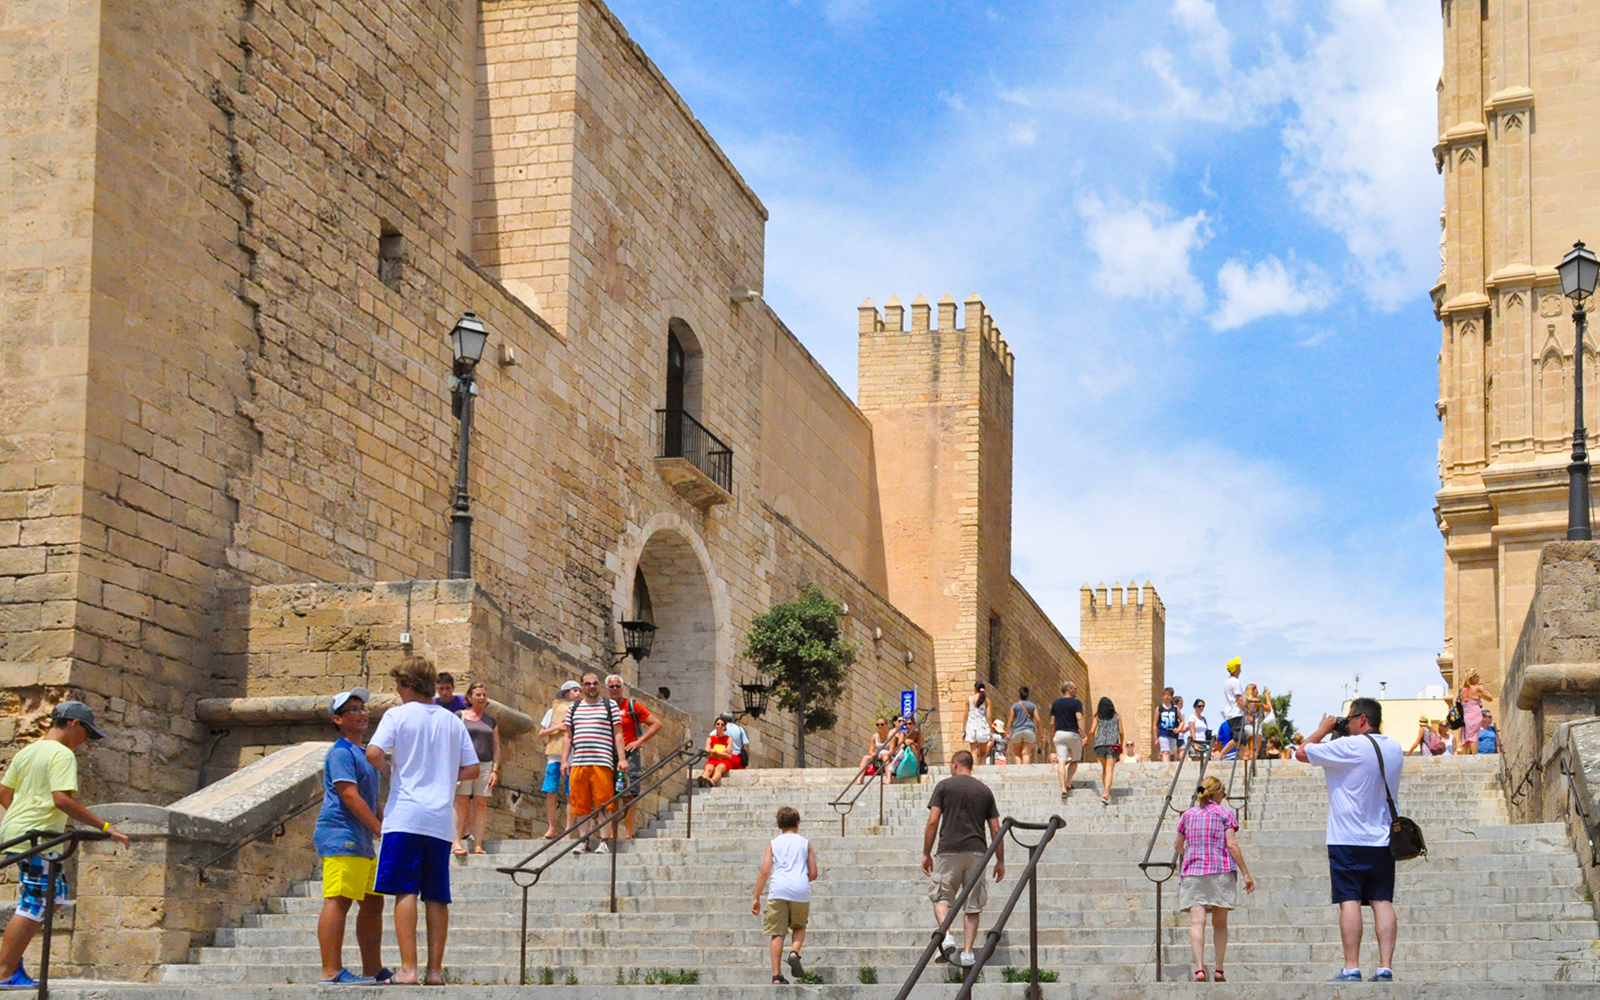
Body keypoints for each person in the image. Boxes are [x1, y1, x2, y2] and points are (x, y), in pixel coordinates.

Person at [0, 702, 130, 991]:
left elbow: (4, 793)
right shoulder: (62, 754)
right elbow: (63, 800)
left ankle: (11, 962)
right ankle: (4, 972)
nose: (86, 740)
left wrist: (21, 819)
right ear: (74, 724)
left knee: (54, 898)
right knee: (35, 903)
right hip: (38, 838)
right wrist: (106, 828)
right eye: (87, 732)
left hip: (26, 833)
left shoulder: (28, 750)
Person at [366, 657, 480, 986]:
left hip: (406, 815)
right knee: (436, 895)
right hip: (440, 819)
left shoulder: (397, 716)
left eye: (399, 685)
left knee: (405, 892)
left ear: (408, 685)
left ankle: (408, 968)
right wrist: (445, 777)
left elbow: (374, 753)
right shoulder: (451, 721)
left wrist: (391, 771)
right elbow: (472, 769)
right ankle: (434, 971)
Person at [1294, 697, 1403, 983]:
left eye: (1350, 718)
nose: (1348, 722)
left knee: (1350, 901)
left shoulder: (1348, 746)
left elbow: (1301, 753)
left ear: (1362, 720)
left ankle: (1351, 967)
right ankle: (1385, 967)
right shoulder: (1394, 747)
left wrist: (1323, 728)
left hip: (1347, 838)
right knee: (1382, 901)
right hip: (1383, 838)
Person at [315, 689, 390, 986]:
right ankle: (331, 971)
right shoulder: (341, 753)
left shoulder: (363, 754)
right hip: (340, 835)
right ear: (338, 719)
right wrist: (378, 828)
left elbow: (371, 800)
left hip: (360, 839)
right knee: (339, 899)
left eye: (363, 708)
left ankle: (374, 969)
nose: (362, 713)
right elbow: (349, 795)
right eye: (353, 710)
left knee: (373, 902)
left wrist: (387, 820)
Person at [922, 750, 1003, 968]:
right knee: (973, 904)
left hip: (948, 849)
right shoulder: (984, 790)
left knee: (941, 896)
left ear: (955, 764)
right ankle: (968, 953)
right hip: (977, 852)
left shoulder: (944, 786)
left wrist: (926, 853)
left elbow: (932, 821)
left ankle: (947, 935)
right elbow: (996, 828)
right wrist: (1000, 860)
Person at [1175, 776, 1255, 982]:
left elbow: (1177, 846)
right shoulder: (1225, 813)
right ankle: (1219, 969)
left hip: (1193, 872)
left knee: (1196, 922)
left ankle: (1200, 969)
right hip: (1220, 871)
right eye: (1223, 794)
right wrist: (1246, 872)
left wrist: (1189, 852)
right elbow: (1232, 845)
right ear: (1218, 793)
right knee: (1220, 924)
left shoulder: (1188, 815)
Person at [561, 670, 628, 853]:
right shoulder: (573, 709)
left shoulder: (610, 705)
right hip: (578, 762)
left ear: (599, 685)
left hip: (602, 762)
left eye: (595, 683)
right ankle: (584, 840)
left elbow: (618, 733)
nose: (592, 686)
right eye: (588, 683)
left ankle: (604, 841)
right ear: (582, 687)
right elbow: (568, 736)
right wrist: (564, 760)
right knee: (580, 804)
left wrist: (621, 758)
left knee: (604, 803)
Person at [751, 806, 818, 985]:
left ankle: (777, 977)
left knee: (777, 933)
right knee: (799, 926)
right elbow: (813, 873)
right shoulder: (805, 843)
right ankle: (794, 953)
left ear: (779, 825)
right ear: (798, 824)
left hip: (778, 890)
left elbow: (765, 871)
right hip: (800, 890)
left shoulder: (774, 843)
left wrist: (756, 897)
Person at [606, 674, 662, 839]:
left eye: (617, 686)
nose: (615, 689)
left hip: (629, 754)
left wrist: (639, 741)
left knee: (629, 793)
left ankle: (629, 834)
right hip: (609, 754)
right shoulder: (604, 707)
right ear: (607, 689)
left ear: (622, 688)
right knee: (612, 794)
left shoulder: (631, 705)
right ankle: (611, 834)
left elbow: (656, 723)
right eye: (611, 686)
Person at [451, 682, 499, 856]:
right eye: (478, 694)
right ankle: (456, 842)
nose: (481, 697)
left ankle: (478, 844)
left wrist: (495, 769)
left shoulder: (491, 720)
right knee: (461, 802)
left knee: (481, 803)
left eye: (484, 694)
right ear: (469, 697)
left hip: (485, 765)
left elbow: (496, 746)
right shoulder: (460, 716)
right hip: (464, 764)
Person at [537, 680, 581, 839]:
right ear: (566, 693)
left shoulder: (582, 711)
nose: (578, 693)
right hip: (555, 755)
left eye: (579, 690)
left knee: (571, 792)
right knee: (550, 790)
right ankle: (552, 827)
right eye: (574, 690)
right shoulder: (553, 711)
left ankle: (569, 829)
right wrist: (557, 727)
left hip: (574, 755)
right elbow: (541, 733)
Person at [1048, 682, 1085, 802]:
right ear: (1068, 689)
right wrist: (1083, 734)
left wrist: (1053, 734)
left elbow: (1052, 722)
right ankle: (1068, 781)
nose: (1076, 690)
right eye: (1074, 688)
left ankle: (1063, 787)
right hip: (1072, 733)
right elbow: (1079, 717)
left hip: (1059, 734)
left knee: (1061, 762)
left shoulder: (1056, 703)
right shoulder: (1076, 703)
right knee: (1074, 760)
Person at [1089, 697, 1125, 806]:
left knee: (1104, 768)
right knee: (1109, 770)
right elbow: (1121, 732)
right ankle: (1106, 793)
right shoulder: (1117, 717)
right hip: (1113, 745)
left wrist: (1087, 739)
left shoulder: (1097, 717)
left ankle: (1105, 792)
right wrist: (1121, 745)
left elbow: (1092, 730)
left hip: (1100, 745)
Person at [1458, 672, 1493, 756]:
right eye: (1477, 676)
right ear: (1472, 678)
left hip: (1465, 716)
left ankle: (1465, 757)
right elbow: (1490, 698)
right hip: (1475, 715)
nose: (1478, 678)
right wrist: (1484, 690)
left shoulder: (1462, 690)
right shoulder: (1476, 689)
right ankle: (1474, 757)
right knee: (1473, 738)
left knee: (1465, 738)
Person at [700, 716, 740, 787]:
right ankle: (703, 779)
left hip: (724, 761)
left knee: (719, 768)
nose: (720, 726)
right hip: (712, 760)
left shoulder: (728, 739)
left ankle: (712, 781)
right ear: (715, 726)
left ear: (725, 727)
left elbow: (729, 755)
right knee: (709, 768)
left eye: (722, 725)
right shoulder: (710, 739)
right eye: (718, 724)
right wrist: (722, 753)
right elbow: (707, 753)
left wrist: (715, 753)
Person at [858, 718, 899, 783]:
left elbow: (891, 750)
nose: (879, 726)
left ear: (886, 725)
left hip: (888, 755)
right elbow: (871, 750)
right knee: (865, 758)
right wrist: (873, 754)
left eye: (882, 724)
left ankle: (889, 779)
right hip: (878, 755)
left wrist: (882, 756)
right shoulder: (874, 736)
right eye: (877, 725)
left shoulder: (892, 736)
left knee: (885, 757)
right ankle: (859, 779)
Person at [1007, 687, 1042, 765]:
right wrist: (1042, 733)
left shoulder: (1015, 706)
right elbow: (1038, 719)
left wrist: (1007, 732)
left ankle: (1019, 770)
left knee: (1017, 753)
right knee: (1026, 753)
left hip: (1017, 731)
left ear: (1019, 694)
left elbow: (1011, 720)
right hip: (1029, 730)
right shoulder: (1033, 706)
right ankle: (1025, 771)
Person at [1222, 658, 1247, 752]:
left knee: (1242, 739)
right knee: (1238, 738)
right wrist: (1247, 712)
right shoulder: (1235, 682)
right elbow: (1239, 699)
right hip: (1236, 713)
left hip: (1230, 713)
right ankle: (1220, 755)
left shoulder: (1228, 681)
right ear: (1236, 669)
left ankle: (1243, 757)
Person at [963, 681, 991, 762]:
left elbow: (965, 715)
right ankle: (982, 768)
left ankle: (975, 770)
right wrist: (990, 729)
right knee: (983, 752)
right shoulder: (986, 701)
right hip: (982, 725)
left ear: (975, 688)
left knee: (973, 751)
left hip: (971, 725)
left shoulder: (969, 699)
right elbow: (989, 716)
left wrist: (963, 729)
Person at [1157, 688, 1182, 762]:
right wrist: (1156, 738)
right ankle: (1165, 769)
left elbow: (1182, 721)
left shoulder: (1175, 708)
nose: (1167, 697)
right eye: (1165, 695)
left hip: (1172, 734)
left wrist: (1178, 729)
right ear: (1163, 696)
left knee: (1171, 753)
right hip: (1163, 732)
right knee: (1165, 752)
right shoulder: (1160, 708)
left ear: (1171, 697)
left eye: (1169, 695)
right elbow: (1155, 724)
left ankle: (1168, 768)